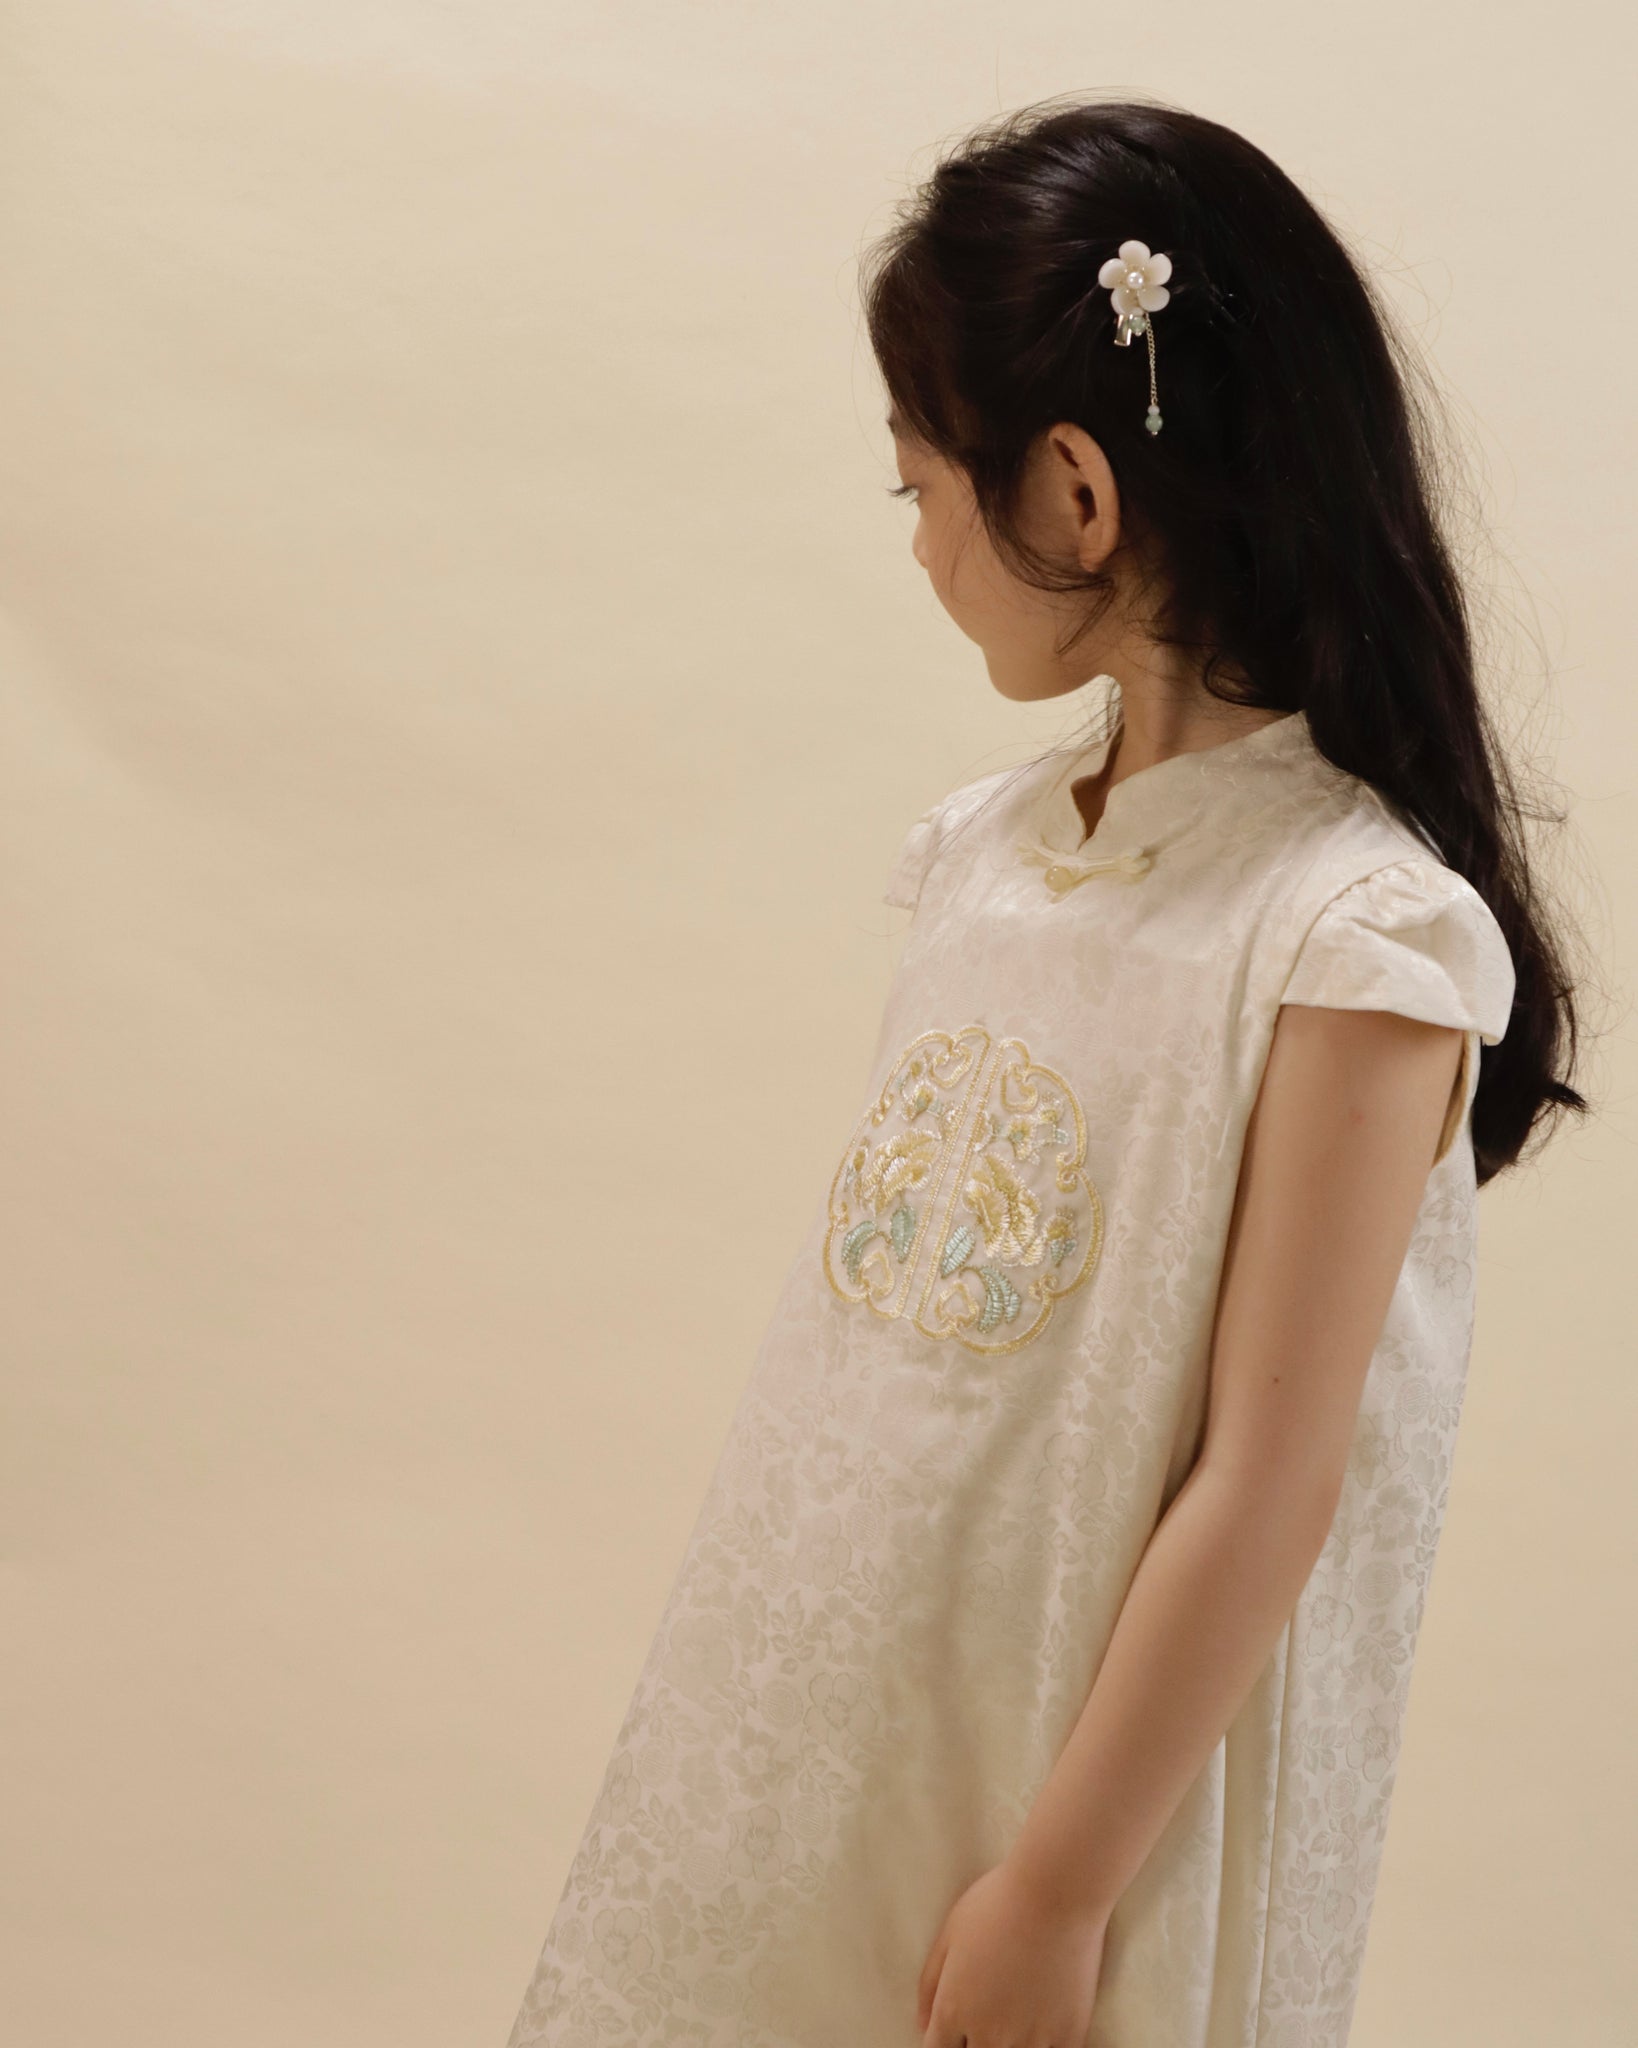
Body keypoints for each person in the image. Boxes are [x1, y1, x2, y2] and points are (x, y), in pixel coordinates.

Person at [505, 96, 1588, 2048]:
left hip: (1077, 1798)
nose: (920, 539)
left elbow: (1269, 1481)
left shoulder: (1349, 937)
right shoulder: (987, 858)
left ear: (1076, 494)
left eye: (921, 486)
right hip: (835, 1722)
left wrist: (1064, 1885)